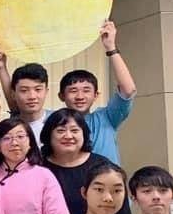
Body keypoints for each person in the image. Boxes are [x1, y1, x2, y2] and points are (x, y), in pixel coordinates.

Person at [56, 20, 137, 165]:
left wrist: (111, 47)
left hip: (108, 179)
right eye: (73, 91)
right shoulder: (54, 122)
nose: (80, 96)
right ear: (61, 96)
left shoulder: (106, 117)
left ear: (96, 95)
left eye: (86, 90)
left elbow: (128, 90)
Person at [41, 109, 132, 214]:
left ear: (84, 134)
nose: (68, 136)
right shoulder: (38, 168)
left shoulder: (102, 166)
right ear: (49, 134)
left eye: (74, 130)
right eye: (60, 131)